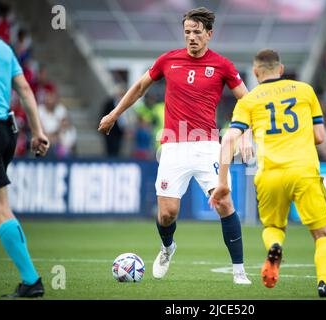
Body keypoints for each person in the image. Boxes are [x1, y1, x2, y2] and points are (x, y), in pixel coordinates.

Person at [98, 7, 253, 284]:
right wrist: (114, 114)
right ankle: (168, 248)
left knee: (225, 203)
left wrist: (248, 133)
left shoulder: (223, 65)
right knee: (167, 214)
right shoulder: (169, 60)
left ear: (209, 34)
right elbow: (139, 87)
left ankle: (239, 271)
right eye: (187, 32)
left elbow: (248, 101)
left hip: (207, 145)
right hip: (173, 146)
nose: (191, 37)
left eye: (196, 32)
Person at [209, 49, 326, 298]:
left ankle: (275, 246)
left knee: (273, 226)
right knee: (324, 234)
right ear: (281, 69)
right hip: (303, 171)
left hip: (269, 174)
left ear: (255, 73)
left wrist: (222, 183)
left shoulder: (249, 101)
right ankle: (324, 283)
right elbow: (320, 136)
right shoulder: (305, 90)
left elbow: (230, 139)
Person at [0, 0, 50, 298]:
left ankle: (32, 281)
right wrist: (37, 132)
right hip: (4, 131)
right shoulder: (1, 49)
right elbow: (24, 89)